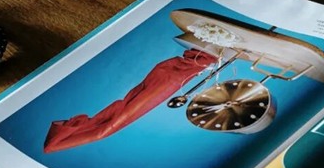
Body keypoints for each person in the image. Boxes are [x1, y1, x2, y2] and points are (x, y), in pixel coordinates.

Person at [43, 47, 218, 152]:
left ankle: (194, 62)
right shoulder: (103, 130)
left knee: (148, 93)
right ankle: (194, 62)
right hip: (172, 77)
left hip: (170, 78)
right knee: (141, 100)